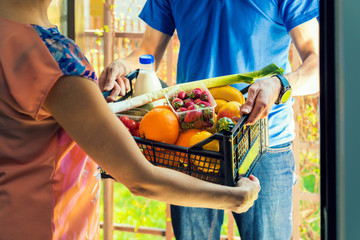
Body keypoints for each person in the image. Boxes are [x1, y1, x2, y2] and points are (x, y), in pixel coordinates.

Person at [0, 1, 261, 239]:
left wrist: (91, 104)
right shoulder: (56, 57)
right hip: (47, 226)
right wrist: (233, 198)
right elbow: (140, 179)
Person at [99, 0, 319, 239]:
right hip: (193, 145)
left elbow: (318, 63)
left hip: (264, 142)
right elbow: (148, 52)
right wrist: (123, 65)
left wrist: (281, 83)